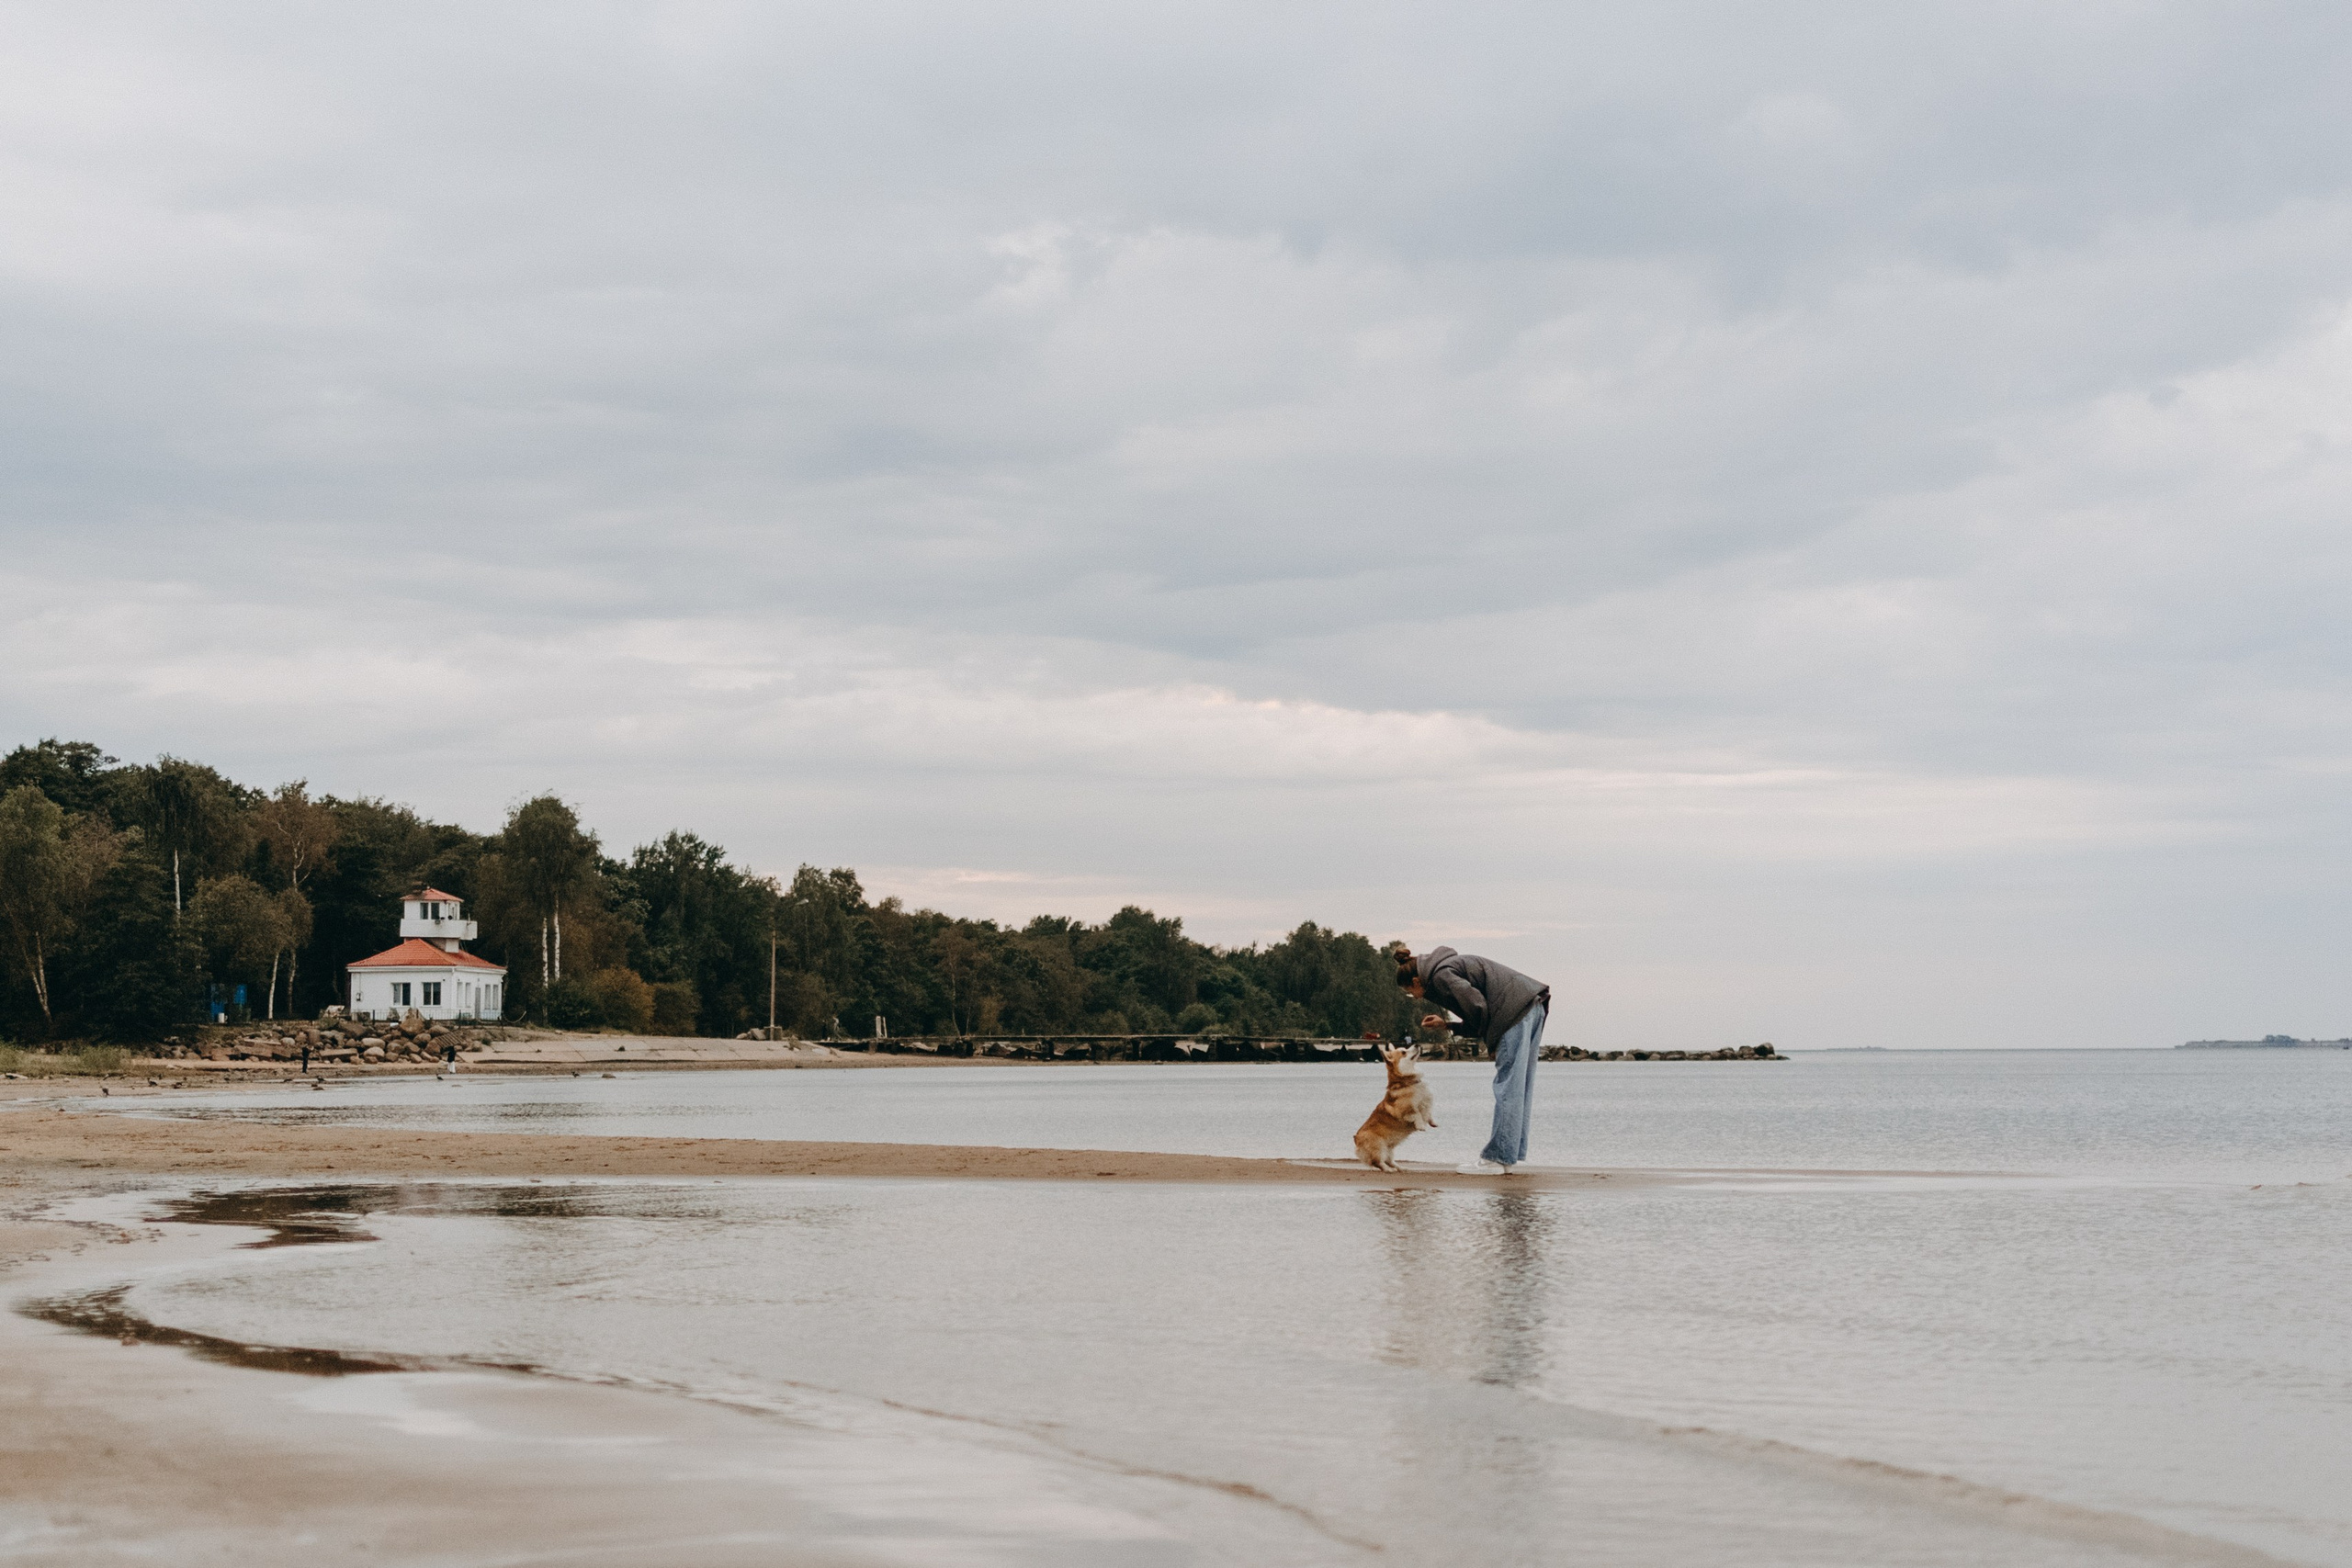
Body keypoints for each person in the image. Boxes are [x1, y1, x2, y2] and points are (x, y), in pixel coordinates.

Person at [1392, 943, 1550, 1175]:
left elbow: (1478, 1007)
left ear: (1416, 982)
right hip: (1531, 1006)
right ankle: (1507, 1156)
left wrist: (1493, 1042)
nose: (1414, 998)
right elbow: (1479, 1011)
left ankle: (1496, 1159)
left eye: (1410, 992)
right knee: (1518, 1087)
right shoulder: (1445, 968)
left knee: (1508, 1087)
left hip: (1514, 1012)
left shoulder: (1441, 975)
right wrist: (1447, 1025)